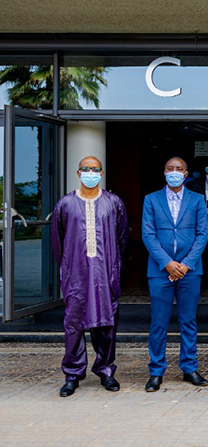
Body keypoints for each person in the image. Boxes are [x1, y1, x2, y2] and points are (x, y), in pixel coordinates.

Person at [51, 156, 129, 397]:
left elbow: (122, 237)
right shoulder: (65, 203)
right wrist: (68, 267)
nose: (90, 172)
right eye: (85, 169)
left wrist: (112, 265)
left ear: (101, 173)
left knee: (106, 324)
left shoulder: (113, 202)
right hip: (76, 275)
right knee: (74, 325)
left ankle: (106, 370)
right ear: (78, 173)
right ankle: (72, 375)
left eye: (94, 169)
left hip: (105, 275)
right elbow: (57, 241)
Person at [141, 157, 208, 392]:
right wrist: (168, 263)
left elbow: (202, 234)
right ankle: (156, 371)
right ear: (164, 172)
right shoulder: (151, 199)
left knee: (188, 321)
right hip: (160, 270)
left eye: (179, 169)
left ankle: (189, 368)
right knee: (158, 323)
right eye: (170, 168)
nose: (174, 172)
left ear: (186, 174)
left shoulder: (197, 199)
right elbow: (148, 234)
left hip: (189, 270)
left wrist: (185, 265)